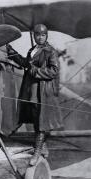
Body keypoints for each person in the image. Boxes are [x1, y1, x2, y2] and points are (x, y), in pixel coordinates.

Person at [6, 24, 63, 166]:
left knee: (41, 123)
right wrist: (11, 52)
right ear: (34, 36)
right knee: (34, 119)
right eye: (38, 35)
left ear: (46, 36)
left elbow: (54, 71)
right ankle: (43, 146)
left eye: (43, 35)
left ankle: (37, 152)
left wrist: (36, 71)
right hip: (30, 90)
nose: (40, 37)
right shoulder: (32, 50)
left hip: (42, 92)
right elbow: (26, 64)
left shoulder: (51, 51)